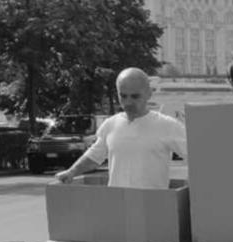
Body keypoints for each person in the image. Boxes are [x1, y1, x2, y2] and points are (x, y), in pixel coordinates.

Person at [54, 67, 187, 190]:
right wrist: (71, 172)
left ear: (149, 94)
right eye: (123, 96)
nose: (128, 102)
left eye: (135, 96)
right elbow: (94, 156)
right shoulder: (110, 125)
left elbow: (197, 157)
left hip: (151, 207)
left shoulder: (168, 126)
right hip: (118, 206)